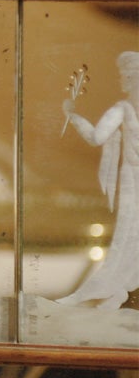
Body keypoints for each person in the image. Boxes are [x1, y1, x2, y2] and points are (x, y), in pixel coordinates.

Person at [59, 50, 139, 309]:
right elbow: (96, 137)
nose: (124, 80)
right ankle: (113, 289)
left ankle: (120, 291)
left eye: (130, 75)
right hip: (132, 181)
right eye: (124, 75)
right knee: (127, 236)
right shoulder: (123, 109)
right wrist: (74, 117)